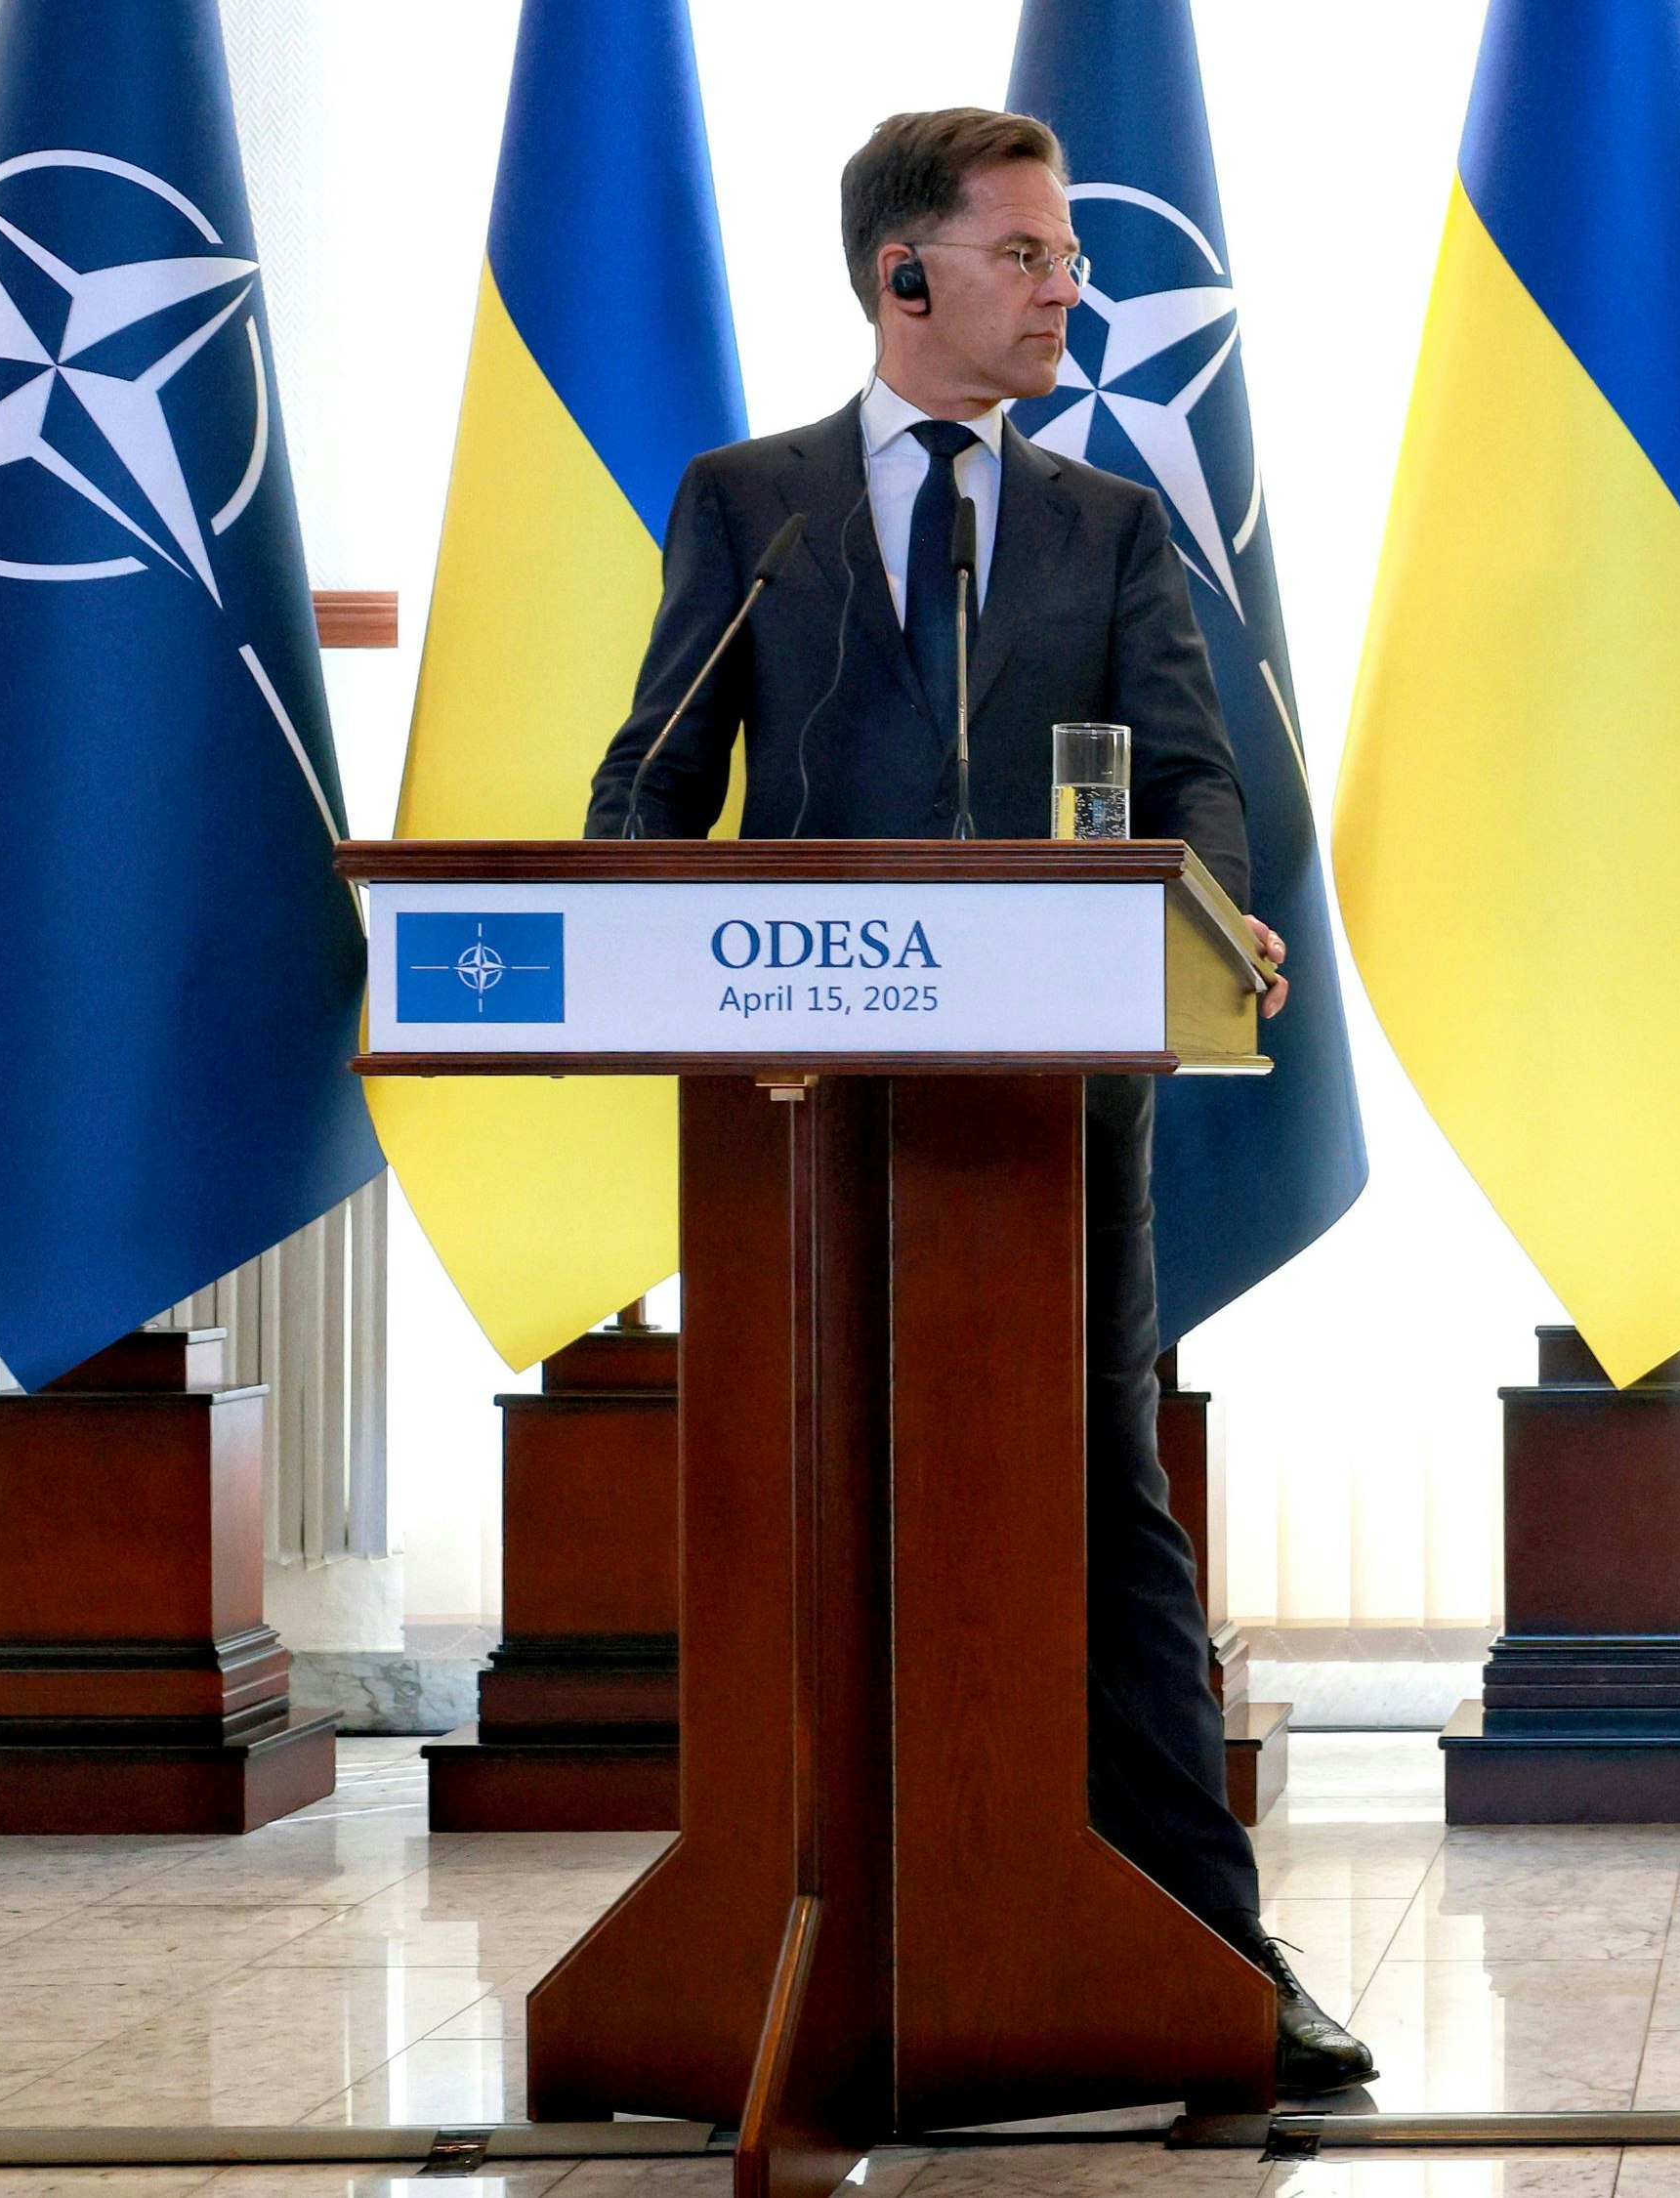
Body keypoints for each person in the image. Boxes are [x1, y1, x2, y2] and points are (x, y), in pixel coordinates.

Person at [583, 107, 1372, 2098]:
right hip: (803, 1118)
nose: (1062, 290)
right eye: (1026, 253)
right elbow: (655, 778)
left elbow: (1201, 783)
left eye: (1067, 256)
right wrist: (615, 912)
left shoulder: (1110, 525)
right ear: (901, 277)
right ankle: (787, 1937)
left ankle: (1216, 1950)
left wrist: (1223, 917)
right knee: (802, 1495)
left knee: (1099, 1506)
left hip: (1052, 1113)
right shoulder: (749, 500)